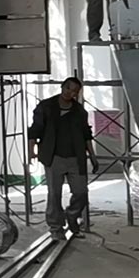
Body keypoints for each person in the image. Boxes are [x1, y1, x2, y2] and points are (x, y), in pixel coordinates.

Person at [28, 77, 99, 240]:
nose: (70, 93)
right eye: (68, 88)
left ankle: (72, 216)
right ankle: (56, 227)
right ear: (62, 87)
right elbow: (35, 130)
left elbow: (86, 135)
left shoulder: (79, 111)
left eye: (74, 91)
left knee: (81, 192)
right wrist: (31, 151)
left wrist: (92, 156)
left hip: (76, 157)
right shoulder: (46, 107)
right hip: (54, 157)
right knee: (54, 194)